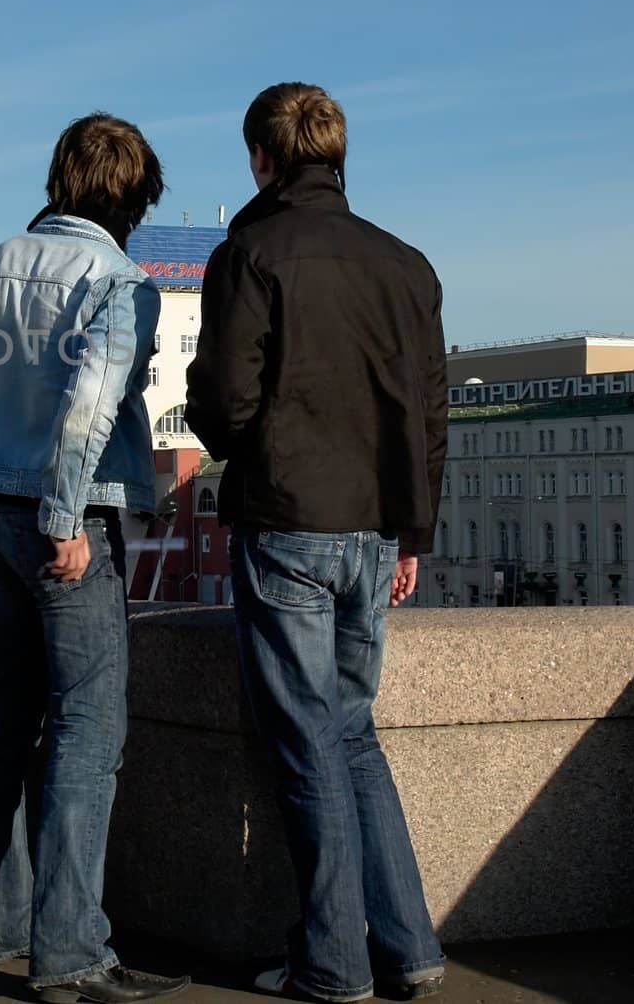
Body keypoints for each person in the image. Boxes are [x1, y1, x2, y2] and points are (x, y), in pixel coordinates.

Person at [0, 113, 187, 1004]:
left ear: (60, 179)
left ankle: (0, 930)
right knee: (90, 733)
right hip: (66, 526)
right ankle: (73, 958)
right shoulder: (120, 281)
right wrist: (63, 517)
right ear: (133, 197)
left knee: (2, 722)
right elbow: (92, 407)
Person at [185, 83, 447, 1004]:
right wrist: (412, 531)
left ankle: (332, 964)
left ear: (263, 158)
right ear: (337, 155)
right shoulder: (406, 266)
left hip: (290, 523)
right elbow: (429, 415)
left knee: (307, 745)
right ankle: (411, 949)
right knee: (352, 735)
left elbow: (223, 397)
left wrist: (221, 426)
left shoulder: (249, 252)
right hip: (377, 528)